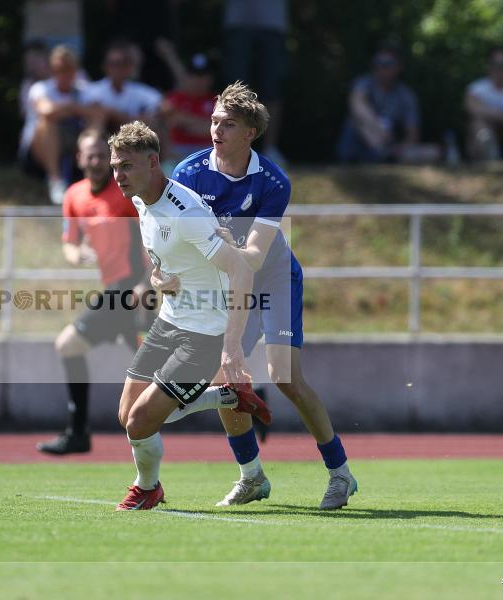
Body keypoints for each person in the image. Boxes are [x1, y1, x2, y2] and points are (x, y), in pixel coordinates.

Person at [160, 82, 358, 510]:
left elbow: (252, 255)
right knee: (225, 378)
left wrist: (209, 247)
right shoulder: (188, 174)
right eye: (213, 121)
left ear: (250, 132)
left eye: (228, 124)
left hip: (271, 277)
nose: (216, 130)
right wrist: (165, 274)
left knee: (284, 376)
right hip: (228, 283)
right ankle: (252, 477)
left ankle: (340, 474)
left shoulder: (273, 182)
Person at [108, 121, 271, 511]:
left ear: (153, 162)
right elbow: (171, 258)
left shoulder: (186, 212)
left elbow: (241, 271)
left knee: (140, 422)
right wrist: (160, 278)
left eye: (126, 166)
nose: (118, 176)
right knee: (126, 414)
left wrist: (231, 347)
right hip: (171, 321)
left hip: (205, 332)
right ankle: (225, 396)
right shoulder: (140, 200)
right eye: (115, 167)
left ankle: (148, 488)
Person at [36, 129, 149, 455]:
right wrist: (77, 255)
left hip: (129, 288)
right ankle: (242, 391)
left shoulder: (127, 193)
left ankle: (78, 433)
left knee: (69, 345)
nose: (98, 161)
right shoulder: (74, 195)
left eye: (104, 156)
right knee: (161, 369)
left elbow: (150, 240)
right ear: (79, 158)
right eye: (91, 155)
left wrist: (146, 283)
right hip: (117, 290)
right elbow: (70, 244)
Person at [20, 46, 98, 204]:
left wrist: (65, 109)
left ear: (76, 70)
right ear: (52, 70)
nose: (64, 73)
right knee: (47, 122)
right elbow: (46, 111)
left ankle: (94, 172)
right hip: (37, 154)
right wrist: (75, 109)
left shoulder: (85, 90)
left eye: (68, 68)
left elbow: (97, 114)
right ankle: (55, 180)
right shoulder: (40, 88)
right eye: (58, 69)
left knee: (95, 124)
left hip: (74, 149)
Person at [336, 45, 440, 164]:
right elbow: (356, 104)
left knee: (433, 151)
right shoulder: (364, 83)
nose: (381, 67)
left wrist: (400, 147)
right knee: (359, 122)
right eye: (377, 63)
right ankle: (381, 153)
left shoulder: (406, 95)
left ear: (399, 67)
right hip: (356, 146)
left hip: (388, 148)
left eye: (387, 63)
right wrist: (380, 130)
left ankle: (385, 155)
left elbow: (412, 135)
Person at [222, 0, 289, 163]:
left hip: (273, 22)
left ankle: (270, 148)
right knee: (235, 91)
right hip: (237, 21)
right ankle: (232, 146)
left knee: (272, 88)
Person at [155, 41, 217, 169]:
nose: (198, 81)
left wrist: (183, 120)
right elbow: (162, 125)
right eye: (194, 76)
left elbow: (215, 130)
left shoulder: (218, 101)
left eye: (203, 76)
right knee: (166, 168)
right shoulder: (174, 98)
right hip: (177, 153)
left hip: (210, 153)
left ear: (210, 78)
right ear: (187, 77)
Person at [84, 41, 162, 135]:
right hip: (105, 139)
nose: (117, 69)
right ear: (104, 66)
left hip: (134, 137)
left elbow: (163, 107)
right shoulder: (92, 90)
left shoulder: (141, 91)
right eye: (113, 64)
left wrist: (116, 116)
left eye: (121, 64)